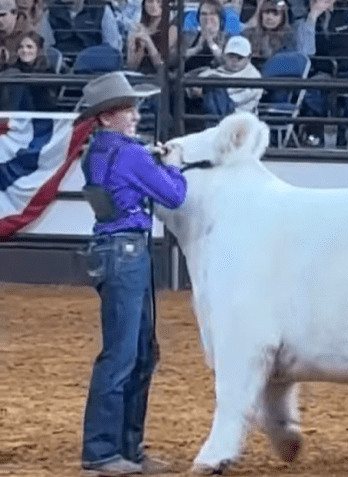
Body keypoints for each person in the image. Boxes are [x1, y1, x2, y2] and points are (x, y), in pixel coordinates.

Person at [77, 71, 187, 477]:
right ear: (106, 117)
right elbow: (174, 195)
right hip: (128, 252)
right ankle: (107, 450)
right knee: (129, 355)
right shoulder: (132, 154)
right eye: (126, 109)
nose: (134, 115)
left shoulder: (97, 151)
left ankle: (119, 449)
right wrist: (171, 166)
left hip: (111, 250)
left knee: (130, 353)